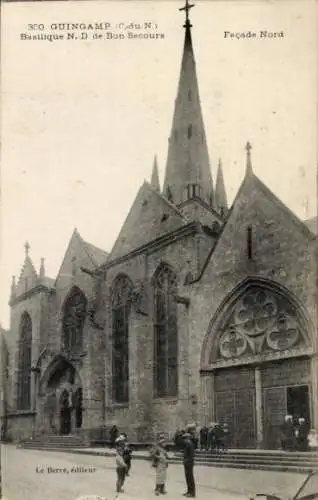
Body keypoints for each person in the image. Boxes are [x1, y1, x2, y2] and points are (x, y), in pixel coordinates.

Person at [182, 431, 196, 498]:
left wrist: (187, 461)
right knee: (187, 478)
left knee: (190, 478)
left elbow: (191, 456)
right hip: (187, 463)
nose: (184, 440)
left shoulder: (189, 444)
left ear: (188, 438)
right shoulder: (187, 445)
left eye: (184, 438)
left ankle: (192, 493)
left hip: (189, 463)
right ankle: (189, 491)